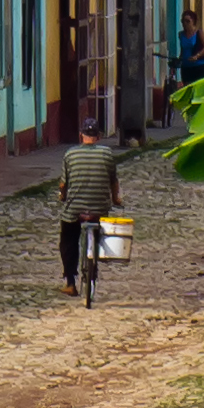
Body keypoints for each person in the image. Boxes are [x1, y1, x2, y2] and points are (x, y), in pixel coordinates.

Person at [57, 123, 126, 294]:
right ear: (99, 136)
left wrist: (62, 195)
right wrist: (116, 199)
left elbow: (63, 183)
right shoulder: (107, 153)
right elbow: (113, 181)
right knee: (99, 232)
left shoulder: (70, 154)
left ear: (81, 135)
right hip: (99, 207)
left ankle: (70, 282)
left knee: (68, 240)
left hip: (75, 208)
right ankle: (94, 261)